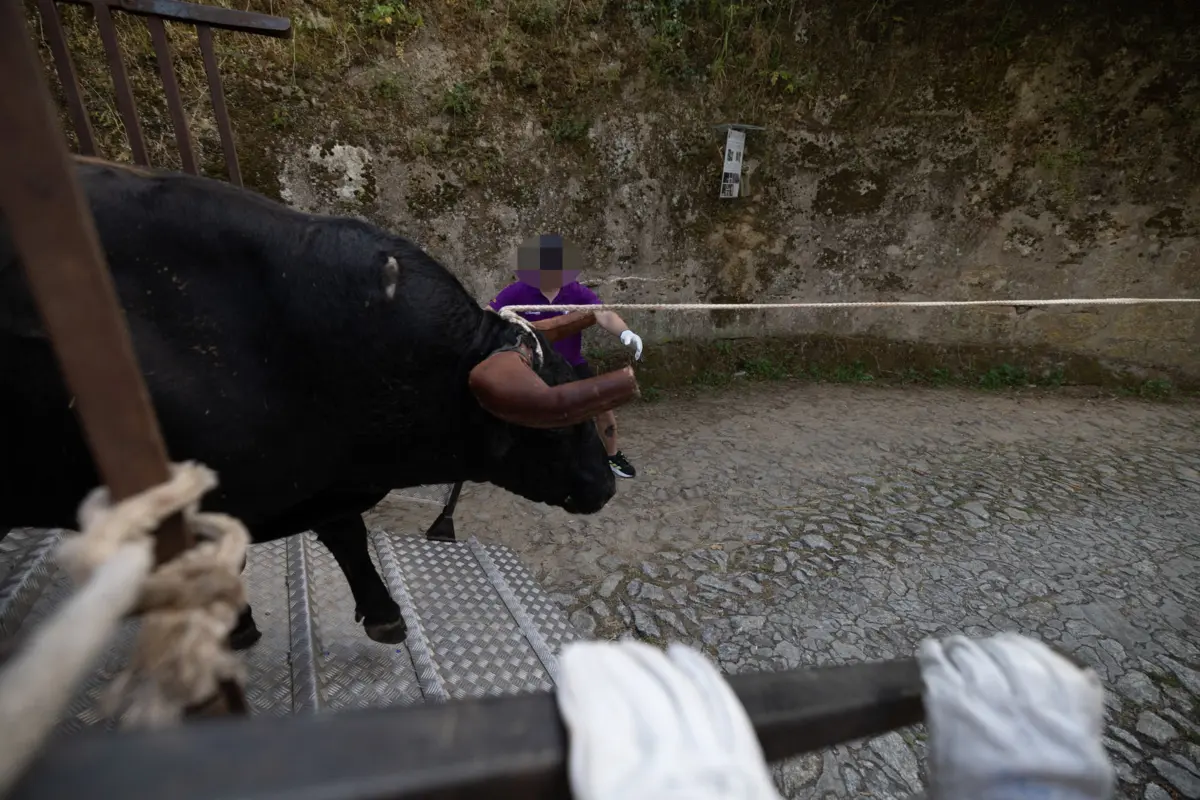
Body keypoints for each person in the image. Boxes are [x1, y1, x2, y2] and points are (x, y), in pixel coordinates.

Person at [488, 234, 643, 479]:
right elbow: (490, 314)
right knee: (526, 414)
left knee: (602, 407)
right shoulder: (518, 291)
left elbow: (603, 313)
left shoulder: (576, 292)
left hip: (572, 364)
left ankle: (612, 457)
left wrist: (625, 333)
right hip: (533, 366)